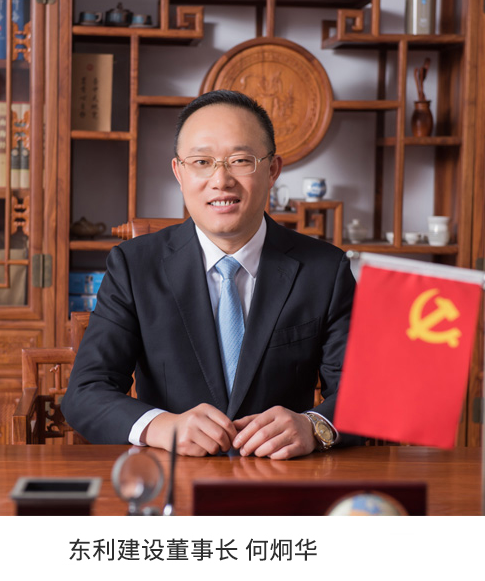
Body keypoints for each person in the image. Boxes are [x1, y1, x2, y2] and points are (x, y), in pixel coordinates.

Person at [61, 89, 360, 459]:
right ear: (179, 172)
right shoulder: (134, 266)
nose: (221, 180)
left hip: (282, 476)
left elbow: (361, 394)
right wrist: (161, 426)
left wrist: (313, 426)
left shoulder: (325, 269)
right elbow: (85, 393)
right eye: (201, 162)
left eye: (240, 160)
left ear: (272, 170)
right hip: (172, 476)